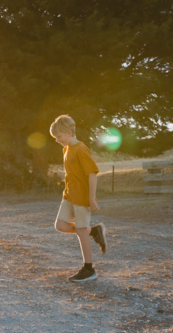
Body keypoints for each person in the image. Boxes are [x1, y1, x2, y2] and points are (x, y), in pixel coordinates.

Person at [49, 115, 107, 283]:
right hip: (69, 196)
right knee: (60, 225)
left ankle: (89, 270)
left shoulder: (81, 149)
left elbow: (92, 175)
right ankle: (94, 231)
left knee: (81, 232)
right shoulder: (66, 148)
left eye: (59, 137)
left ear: (68, 132)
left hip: (82, 198)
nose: (57, 140)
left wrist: (91, 199)